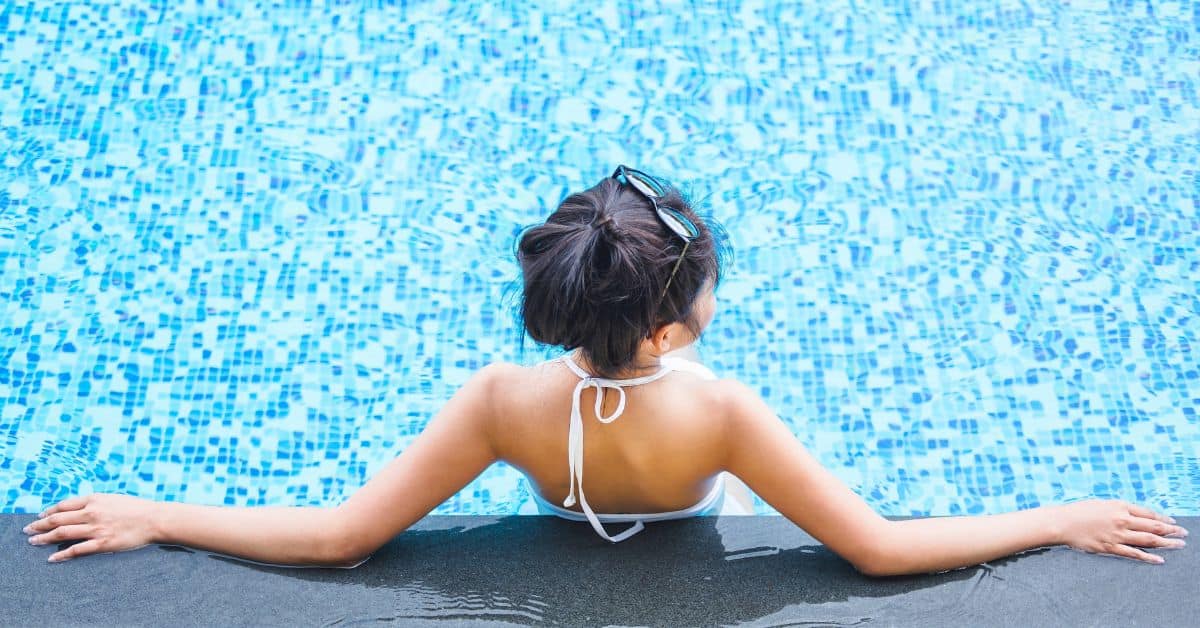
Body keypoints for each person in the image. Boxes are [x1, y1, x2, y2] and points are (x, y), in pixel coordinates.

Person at [24, 166, 1187, 574]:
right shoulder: (722, 416)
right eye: (708, 286)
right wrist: (1057, 515)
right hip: (687, 523)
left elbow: (341, 536)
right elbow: (877, 547)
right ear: (675, 330)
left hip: (571, 506)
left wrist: (154, 513)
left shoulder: (503, 403)